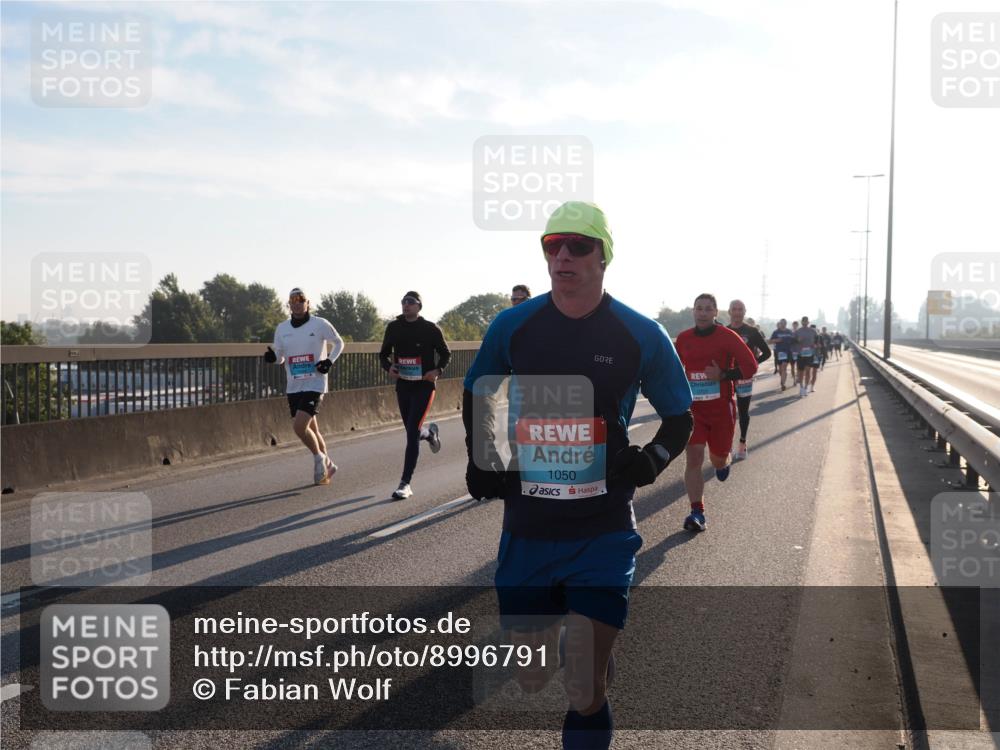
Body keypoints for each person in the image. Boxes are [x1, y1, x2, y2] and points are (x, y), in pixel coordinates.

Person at [462, 201, 693, 750]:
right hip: (528, 528)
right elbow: (480, 390)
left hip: (603, 528)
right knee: (533, 675)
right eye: (552, 245)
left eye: (578, 246)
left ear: (603, 257)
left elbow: (679, 416)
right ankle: (593, 681)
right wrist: (483, 459)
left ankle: (591, 690)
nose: (562, 255)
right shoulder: (513, 325)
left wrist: (652, 460)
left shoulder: (639, 333)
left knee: (581, 680)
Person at [675, 294, 758, 532]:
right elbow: (672, 369)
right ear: (693, 311)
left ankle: (723, 462)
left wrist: (723, 375)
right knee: (694, 458)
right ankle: (697, 512)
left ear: (715, 312)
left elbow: (750, 366)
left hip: (722, 410)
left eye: (707, 309)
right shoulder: (683, 339)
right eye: (698, 308)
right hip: (694, 411)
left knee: (718, 458)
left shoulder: (727, 337)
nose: (702, 313)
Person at [264, 287, 344, 485]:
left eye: (301, 300)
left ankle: (319, 459)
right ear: (289, 305)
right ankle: (330, 465)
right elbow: (281, 358)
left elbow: (339, 343)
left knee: (299, 427)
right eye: (293, 300)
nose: (297, 303)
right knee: (312, 430)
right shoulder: (282, 329)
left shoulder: (320, 324)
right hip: (294, 385)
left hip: (315, 382)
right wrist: (273, 359)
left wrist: (329, 362)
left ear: (308, 303)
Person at [379, 291, 451, 500]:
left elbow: (446, 353)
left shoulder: (430, 329)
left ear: (419, 306)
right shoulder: (394, 327)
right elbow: (383, 354)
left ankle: (405, 483)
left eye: (411, 302)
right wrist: (388, 367)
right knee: (413, 429)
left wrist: (437, 371)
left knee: (411, 432)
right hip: (403, 385)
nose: (406, 305)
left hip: (424, 387)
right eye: (403, 302)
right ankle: (429, 434)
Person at [726, 300, 771, 460]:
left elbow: (767, 353)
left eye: (740, 309)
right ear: (729, 311)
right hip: (727, 377)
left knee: (743, 412)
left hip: (744, 377)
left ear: (745, 312)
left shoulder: (752, 331)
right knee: (727, 412)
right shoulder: (724, 331)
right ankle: (727, 444)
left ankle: (742, 444)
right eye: (734, 309)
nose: (737, 312)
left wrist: (752, 365)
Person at [794, 316, 819, 396]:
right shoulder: (798, 331)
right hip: (801, 353)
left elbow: (817, 339)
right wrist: (798, 340)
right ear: (802, 322)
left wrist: (815, 345)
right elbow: (793, 341)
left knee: (808, 371)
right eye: (803, 321)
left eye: (806, 321)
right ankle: (801, 387)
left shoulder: (813, 331)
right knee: (801, 372)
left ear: (808, 322)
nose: (805, 322)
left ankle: (805, 387)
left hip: (809, 353)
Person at [768, 318, 795, 391]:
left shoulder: (789, 331)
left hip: (787, 351)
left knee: (784, 367)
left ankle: (783, 383)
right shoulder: (776, 332)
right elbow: (769, 341)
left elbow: (794, 340)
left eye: (784, 323)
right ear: (780, 323)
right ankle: (782, 379)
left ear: (786, 324)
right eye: (782, 323)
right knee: (780, 369)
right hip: (779, 352)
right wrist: (777, 340)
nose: (783, 324)